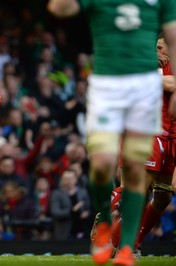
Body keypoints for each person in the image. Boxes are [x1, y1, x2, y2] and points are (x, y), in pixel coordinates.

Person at [47, 1, 176, 266]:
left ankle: (127, 248)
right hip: (108, 86)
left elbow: (173, 35)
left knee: (139, 176)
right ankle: (105, 218)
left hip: (142, 97)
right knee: (101, 168)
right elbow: (60, 8)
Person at [102, 33, 176, 258]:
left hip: (170, 136)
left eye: (163, 48)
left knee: (163, 197)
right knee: (139, 192)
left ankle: (130, 242)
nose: (160, 52)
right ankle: (113, 234)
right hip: (148, 130)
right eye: (158, 47)